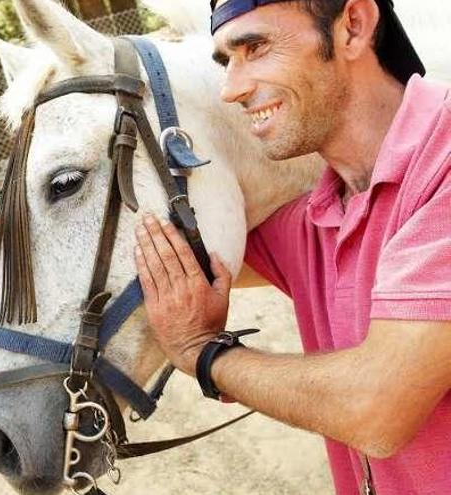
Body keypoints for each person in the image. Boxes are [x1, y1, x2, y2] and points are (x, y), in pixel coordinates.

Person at [132, 0, 451, 494]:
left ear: (353, 27)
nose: (232, 89)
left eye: (255, 47)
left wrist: (203, 353)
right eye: (226, 61)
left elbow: (376, 410)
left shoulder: (444, 167)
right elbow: (191, 264)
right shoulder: (318, 220)